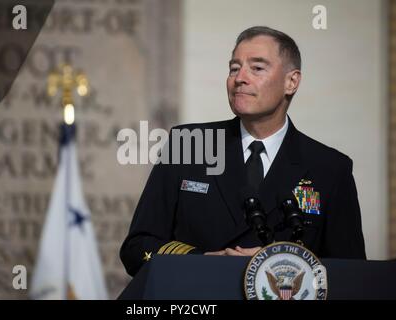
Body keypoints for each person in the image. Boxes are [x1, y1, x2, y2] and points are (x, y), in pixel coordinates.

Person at [120, 26, 366, 277]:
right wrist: (202, 261)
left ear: (291, 82)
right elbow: (136, 248)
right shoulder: (189, 145)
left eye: (257, 68)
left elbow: (351, 275)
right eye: (234, 68)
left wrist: (276, 265)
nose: (240, 78)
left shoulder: (330, 168)